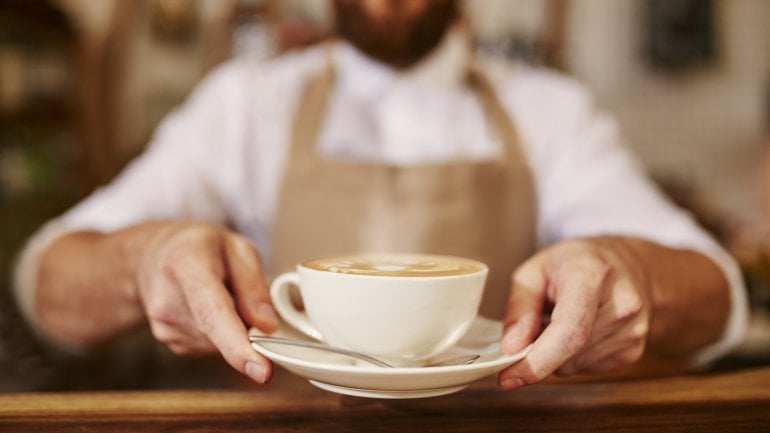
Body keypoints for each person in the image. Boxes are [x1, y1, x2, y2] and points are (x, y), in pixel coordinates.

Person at [12, 0, 747, 391]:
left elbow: (716, 291)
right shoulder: (243, 104)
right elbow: (46, 281)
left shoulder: (552, 110)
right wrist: (146, 258)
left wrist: (634, 273)